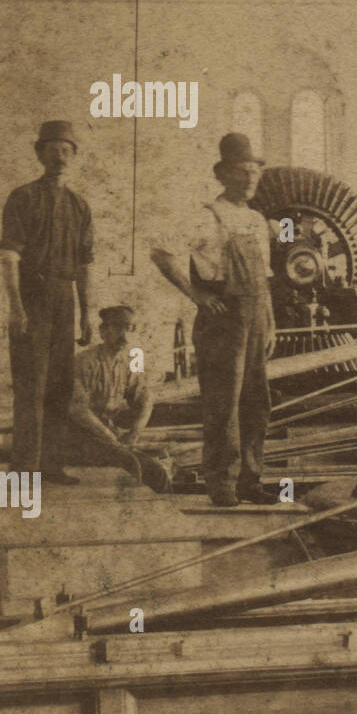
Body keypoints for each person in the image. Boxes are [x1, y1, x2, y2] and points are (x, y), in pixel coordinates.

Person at [150, 134, 278, 506]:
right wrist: (198, 296)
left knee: (257, 402)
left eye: (255, 171)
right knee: (223, 404)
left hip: (254, 319)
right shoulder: (207, 215)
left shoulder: (257, 220)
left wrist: (269, 322)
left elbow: (264, 278)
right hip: (223, 321)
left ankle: (250, 481)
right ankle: (221, 484)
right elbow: (162, 253)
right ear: (223, 175)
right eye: (242, 171)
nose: (251, 178)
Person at [0, 120, 95, 484]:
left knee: (59, 386)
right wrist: (16, 307)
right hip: (32, 299)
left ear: (74, 157)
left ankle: (52, 466)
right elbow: (9, 256)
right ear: (40, 154)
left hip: (64, 300)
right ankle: (24, 469)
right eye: (53, 150)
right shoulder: (22, 198)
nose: (60, 157)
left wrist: (86, 316)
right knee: (30, 386)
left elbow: (85, 266)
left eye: (67, 150)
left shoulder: (80, 206)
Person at [67, 305, 172, 493]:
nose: (125, 334)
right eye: (118, 327)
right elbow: (78, 409)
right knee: (141, 468)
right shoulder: (85, 361)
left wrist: (135, 432)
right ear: (103, 331)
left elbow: (145, 398)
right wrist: (109, 436)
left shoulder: (132, 360)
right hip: (81, 436)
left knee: (158, 471)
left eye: (130, 328)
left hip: (109, 433)